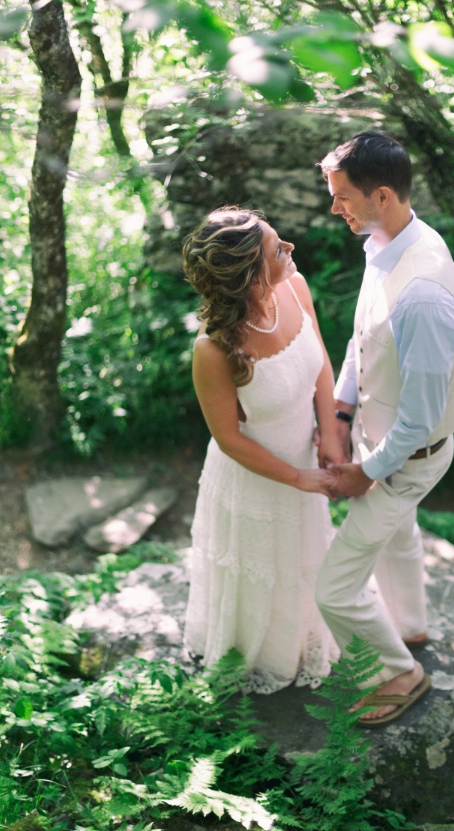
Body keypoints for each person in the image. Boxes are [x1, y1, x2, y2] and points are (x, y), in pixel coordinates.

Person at [316, 132, 454, 727]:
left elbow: (423, 418)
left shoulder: (424, 295)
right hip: (378, 438)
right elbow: (364, 339)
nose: (335, 209)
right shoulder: (382, 240)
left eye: (343, 197)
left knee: (334, 590)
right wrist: (342, 410)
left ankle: (399, 671)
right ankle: (409, 627)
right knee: (399, 538)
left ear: (382, 194)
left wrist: (364, 473)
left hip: (408, 457)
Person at [182, 207, 341, 693]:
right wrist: (299, 479)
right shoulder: (213, 350)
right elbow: (229, 439)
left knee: (306, 565)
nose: (290, 248)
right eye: (277, 248)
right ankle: (255, 660)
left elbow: (320, 363)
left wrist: (330, 434)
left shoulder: (294, 287)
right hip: (255, 480)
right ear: (250, 276)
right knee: (259, 578)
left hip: (305, 464)